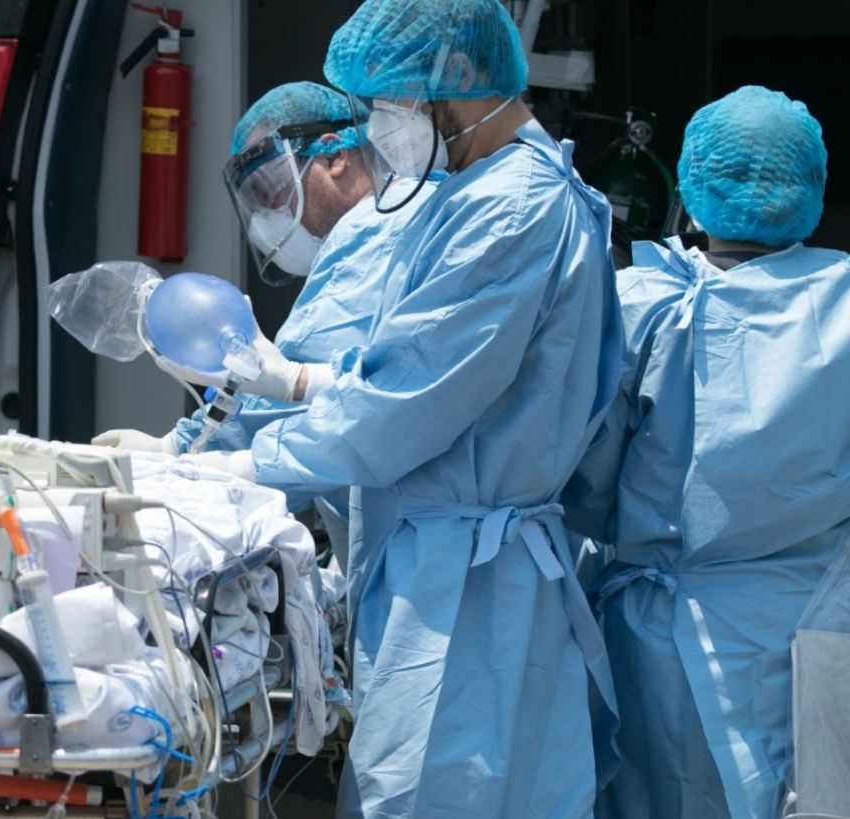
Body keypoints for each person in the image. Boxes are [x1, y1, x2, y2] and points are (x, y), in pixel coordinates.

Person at [169, 0, 623, 814]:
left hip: (464, 595)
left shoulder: (511, 206)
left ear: (457, 78)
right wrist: (300, 383)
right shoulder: (477, 194)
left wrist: (241, 467)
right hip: (455, 573)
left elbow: (401, 408)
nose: (382, 123)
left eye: (394, 100)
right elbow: (398, 370)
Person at [563, 86, 850, 818]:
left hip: (674, 644)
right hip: (831, 632)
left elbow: (589, 489)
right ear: (812, 189)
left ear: (693, 190)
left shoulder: (644, 303)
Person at [94, 81, 439, 571]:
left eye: (268, 188)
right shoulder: (398, 223)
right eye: (252, 202)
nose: (264, 218)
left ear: (335, 157)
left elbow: (299, 389)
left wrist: (179, 449)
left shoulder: (376, 234)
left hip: (432, 561)